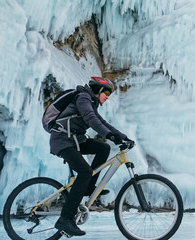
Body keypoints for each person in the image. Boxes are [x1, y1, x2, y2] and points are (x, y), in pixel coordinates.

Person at [49, 76, 134, 236]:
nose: (108, 96)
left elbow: (103, 122)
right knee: (85, 172)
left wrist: (123, 137)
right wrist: (109, 135)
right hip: (63, 141)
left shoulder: (91, 103)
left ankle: (88, 187)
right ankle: (65, 220)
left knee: (103, 149)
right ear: (99, 89)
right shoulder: (83, 98)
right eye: (107, 92)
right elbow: (92, 119)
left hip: (75, 141)